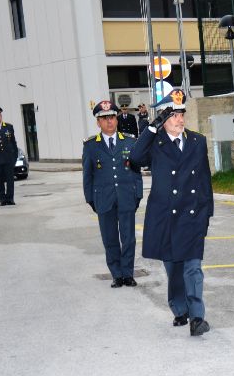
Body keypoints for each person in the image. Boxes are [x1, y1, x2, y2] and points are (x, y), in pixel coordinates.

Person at [131, 89, 214, 337]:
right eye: (174, 115)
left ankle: (197, 317)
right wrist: (151, 127)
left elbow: (205, 180)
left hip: (192, 215)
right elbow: (135, 158)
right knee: (174, 268)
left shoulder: (197, 141)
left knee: (193, 268)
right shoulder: (155, 143)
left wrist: (206, 214)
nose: (180, 119)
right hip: (166, 216)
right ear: (163, 119)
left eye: (181, 114)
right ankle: (180, 309)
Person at [82, 100, 144, 288]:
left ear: (116, 119)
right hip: (104, 199)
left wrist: (138, 194)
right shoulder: (91, 146)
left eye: (111, 117)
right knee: (110, 239)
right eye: (104, 118)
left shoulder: (130, 141)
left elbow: (136, 172)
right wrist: (91, 200)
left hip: (126, 196)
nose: (109, 121)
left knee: (128, 238)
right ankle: (117, 274)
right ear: (98, 122)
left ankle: (128, 274)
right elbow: (88, 176)